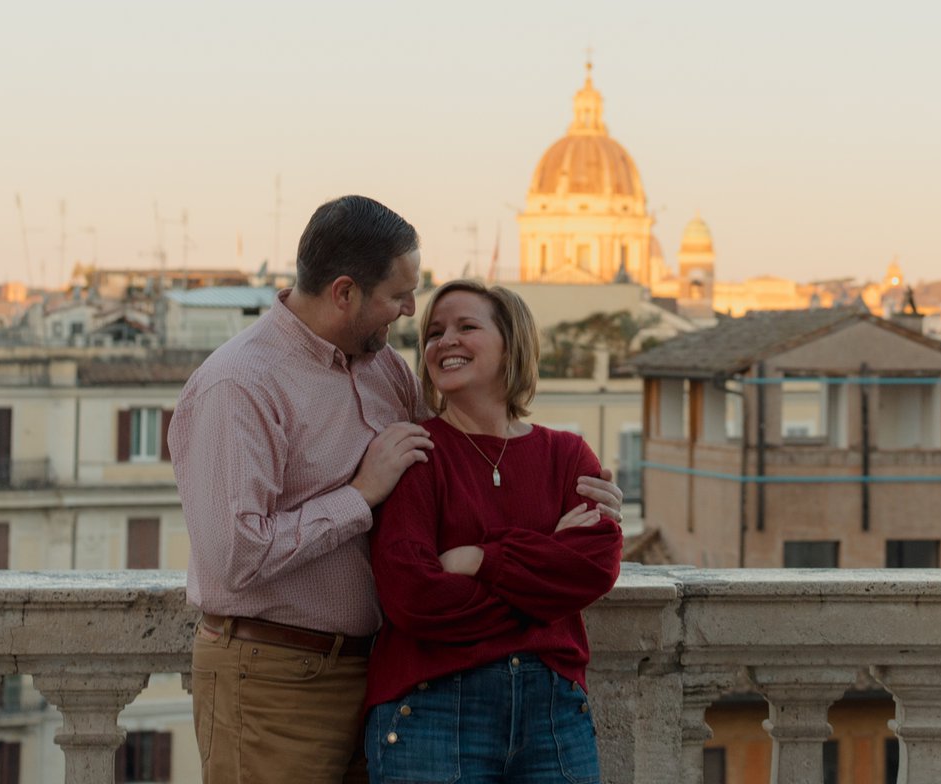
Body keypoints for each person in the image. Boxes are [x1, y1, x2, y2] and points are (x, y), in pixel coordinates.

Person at [170, 197, 622, 784]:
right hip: (272, 676)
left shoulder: (384, 371)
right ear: (344, 293)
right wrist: (360, 495)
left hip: (374, 675)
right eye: (400, 296)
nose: (410, 312)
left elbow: (459, 462)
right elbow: (233, 558)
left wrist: (519, 548)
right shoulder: (238, 385)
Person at [363, 279, 624, 784]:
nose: (445, 341)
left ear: (512, 343)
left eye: (467, 326)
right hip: (433, 711)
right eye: (434, 332)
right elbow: (411, 595)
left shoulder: (567, 454)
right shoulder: (416, 455)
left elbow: (592, 567)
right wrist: (542, 579)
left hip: (554, 718)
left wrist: (481, 561)